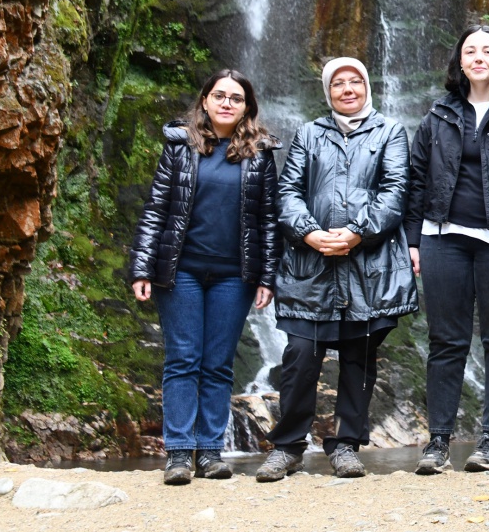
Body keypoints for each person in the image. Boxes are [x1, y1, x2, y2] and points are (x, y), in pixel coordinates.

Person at [257, 57, 417, 482]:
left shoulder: (390, 132)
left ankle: (346, 446)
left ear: (366, 87)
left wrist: (355, 233)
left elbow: (395, 191)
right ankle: (288, 447)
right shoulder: (309, 133)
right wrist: (309, 233)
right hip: (310, 266)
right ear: (328, 92)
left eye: (355, 82)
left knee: (359, 360)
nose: (347, 89)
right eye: (338, 84)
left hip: (369, 266)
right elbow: (287, 190)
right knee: (300, 356)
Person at [130, 70, 279, 485]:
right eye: (220, 95)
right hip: (181, 272)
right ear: (206, 101)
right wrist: (142, 267)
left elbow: (268, 221)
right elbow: (156, 209)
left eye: (236, 98)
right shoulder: (180, 146)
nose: (227, 103)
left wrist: (268, 276)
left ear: (247, 107)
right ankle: (178, 454)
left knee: (217, 364)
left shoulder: (260, 154)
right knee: (182, 359)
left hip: (235, 275)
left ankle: (210, 453)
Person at [407, 25, 489, 474]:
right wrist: (412, 240)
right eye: (470, 50)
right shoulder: (438, 114)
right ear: (460, 61)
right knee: (446, 341)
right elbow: (416, 179)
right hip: (443, 238)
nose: (479, 56)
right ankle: (438, 443)